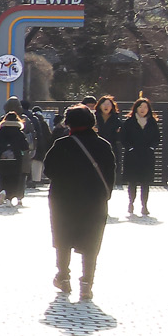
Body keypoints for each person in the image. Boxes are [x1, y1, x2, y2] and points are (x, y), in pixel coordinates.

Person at [45, 106, 115, 299]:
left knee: (63, 239)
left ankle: (63, 277)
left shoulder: (61, 144)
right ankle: (86, 284)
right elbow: (110, 175)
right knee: (91, 243)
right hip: (94, 201)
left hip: (63, 200)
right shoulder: (103, 145)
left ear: (68, 123)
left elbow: (48, 171)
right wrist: (104, 195)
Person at [118, 97, 160, 217]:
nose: (143, 109)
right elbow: (123, 138)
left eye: (145, 107)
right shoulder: (129, 122)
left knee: (145, 182)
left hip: (147, 156)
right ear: (136, 108)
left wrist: (152, 148)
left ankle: (144, 206)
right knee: (132, 182)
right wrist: (130, 148)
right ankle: (131, 203)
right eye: (140, 107)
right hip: (132, 156)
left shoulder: (152, 122)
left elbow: (157, 138)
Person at [0, 111, 31, 207]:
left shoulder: (0, 132)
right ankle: (9, 198)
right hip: (16, 159)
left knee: (4, 177)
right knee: (14, 179)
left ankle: (3, 190)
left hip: (2, 159)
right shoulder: (19, 132)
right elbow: (25, 146)